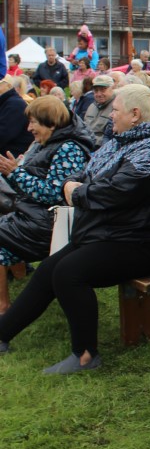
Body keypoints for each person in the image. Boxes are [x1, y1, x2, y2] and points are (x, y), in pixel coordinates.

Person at [0, 85, 150, 373]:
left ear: (134, 114)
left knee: (68, 273)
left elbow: (112, 193)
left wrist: (76, 192)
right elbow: (86, 174)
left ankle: (85, 355)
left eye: (115, 111)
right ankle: (3, 333)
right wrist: (73, 185)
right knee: (48, 269)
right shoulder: (120, 142)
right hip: (107, 235)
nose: (111, 116)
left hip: (142, 243)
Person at [0, 95, 94, 312]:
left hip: (52, 223)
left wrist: (15, 173)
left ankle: (3, 308)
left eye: (33, 122)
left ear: (51, 123)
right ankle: (18, 281)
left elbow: (55, 194)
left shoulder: (69, 148)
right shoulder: (45, 143)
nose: (29, 128)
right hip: (34, 215)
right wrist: (14, 171)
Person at [0, 77, 33, 157]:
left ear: (8, 85)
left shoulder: (15, 104)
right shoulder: (8, 102)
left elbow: (3, 134)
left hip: (12, 157)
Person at [83, 75, 116, 147]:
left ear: (112, 88)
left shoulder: (117, 107)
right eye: (96, 90)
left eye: (103, 90)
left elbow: (111, 138)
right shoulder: (92, 106)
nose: (99, 94)